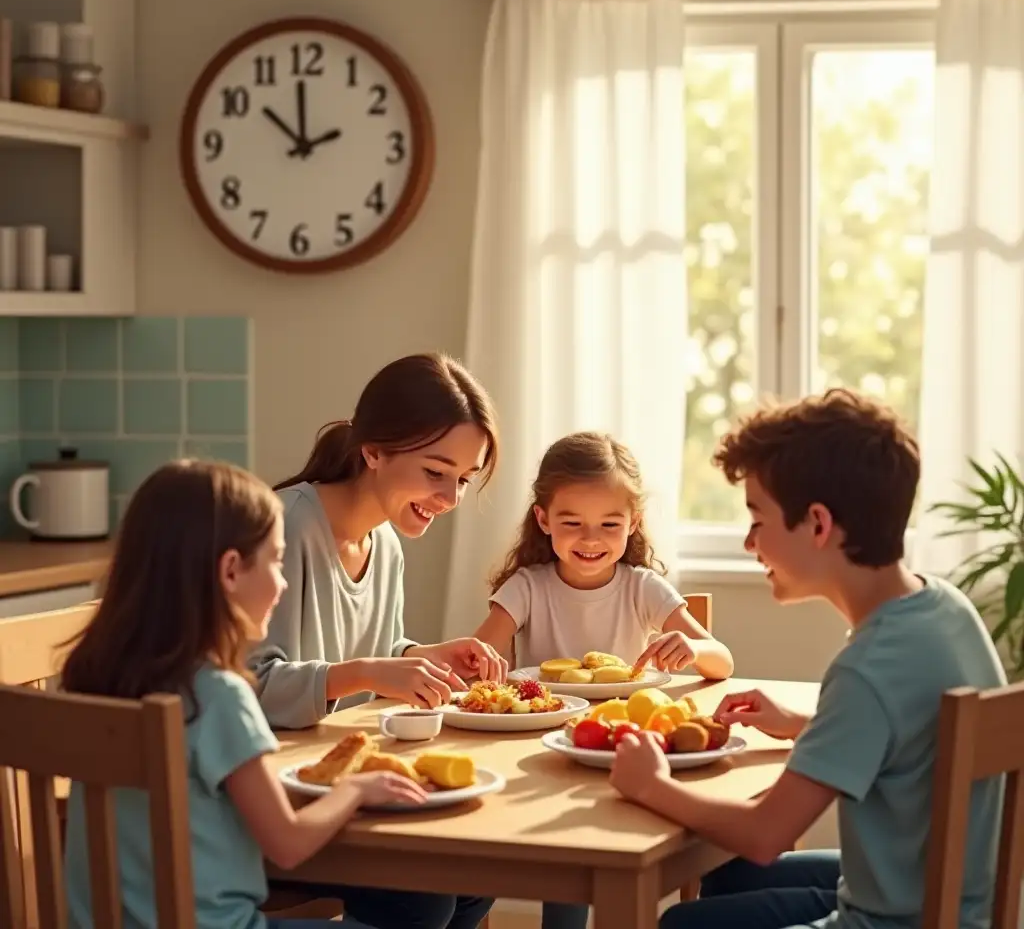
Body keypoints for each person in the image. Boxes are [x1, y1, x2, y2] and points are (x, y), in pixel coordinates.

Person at [609, 388, 1006, 929]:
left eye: (758, 520)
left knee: (684, 922)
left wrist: (651, 785)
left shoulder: (867, 668)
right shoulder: (944, 607)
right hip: (941, 898)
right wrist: (806, 724)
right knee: (728, 874)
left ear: (818, 524)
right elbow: (909, 733)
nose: (749, 544)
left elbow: (764, 834)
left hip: (890, 920)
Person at [62, 460, 426, 929]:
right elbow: (288, 844)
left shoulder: (98, 675)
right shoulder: (217, 694)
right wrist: (355, 789)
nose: (283, 581)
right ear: (231, 571)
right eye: (276, 561)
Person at [249, 352, 502, 929]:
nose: (451, 498)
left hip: (332, 791)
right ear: (374, 452)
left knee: (476, 879)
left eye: (463, 479)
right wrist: (368, 672)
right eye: (436, 472)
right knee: (423, 898)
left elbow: (375, 649)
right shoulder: (283, 530)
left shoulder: (383, 542)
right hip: (267, 806)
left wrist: (423, 656)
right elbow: (251, 685)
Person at [473, 431, 735, 929]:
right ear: (544, 520)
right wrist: (482, 667)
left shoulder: (642, 587)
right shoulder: (528, 586)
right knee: (566, 851)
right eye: (572, 523)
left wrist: (693, 648)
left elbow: (722, 660)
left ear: (633, 523)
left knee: (598, 845)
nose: (590, 539)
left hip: (626, 748)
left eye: (609, 524)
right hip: (546, 751)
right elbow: (478, 656)